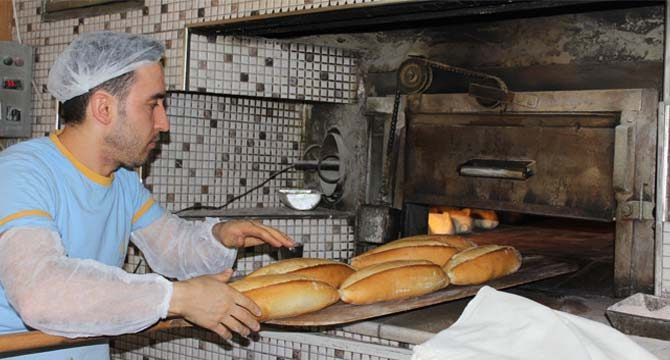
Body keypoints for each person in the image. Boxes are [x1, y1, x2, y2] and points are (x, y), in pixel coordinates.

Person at [0, 31, 295, 359]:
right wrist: (177, 299)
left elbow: (172, 247)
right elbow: (41, 294)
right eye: (153, 103)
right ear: (103, 108)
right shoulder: (20, 173)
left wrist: (220, 237)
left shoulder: (122, 181)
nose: (164, 122)